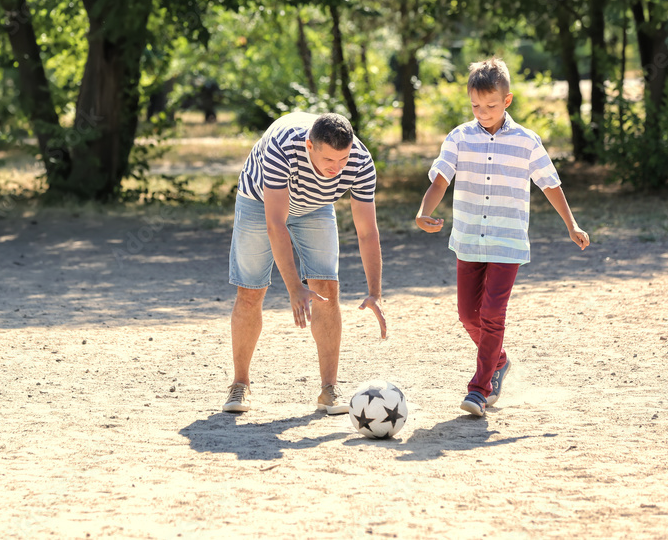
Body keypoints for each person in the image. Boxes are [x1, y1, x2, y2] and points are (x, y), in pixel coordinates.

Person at [415, 57, 590, 417]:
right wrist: (423, 211)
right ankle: (500, 360)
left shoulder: (527, 142)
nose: (482, 112)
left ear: (507, 101)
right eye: (476, 105)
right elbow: (440, 180)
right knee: (467, 314)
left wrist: (571, 224)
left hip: (507, 242)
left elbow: (550, 185)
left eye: (491, 105)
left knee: (492, 312)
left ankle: (479, 389)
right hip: (467, 239)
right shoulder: (459, 137)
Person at [223, 112, 387, 414]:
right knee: (250, 291)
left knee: (326, 287)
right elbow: (276, 223)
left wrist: (375, 291)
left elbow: (367, 231)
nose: (337, 169)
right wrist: (294, 287)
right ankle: (240, 385)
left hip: (315, 205)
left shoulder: (360, 161)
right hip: (260, 202)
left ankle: (329, 389)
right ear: (309, 146)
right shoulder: (282, 149)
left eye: (343, 160)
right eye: (329, 161)